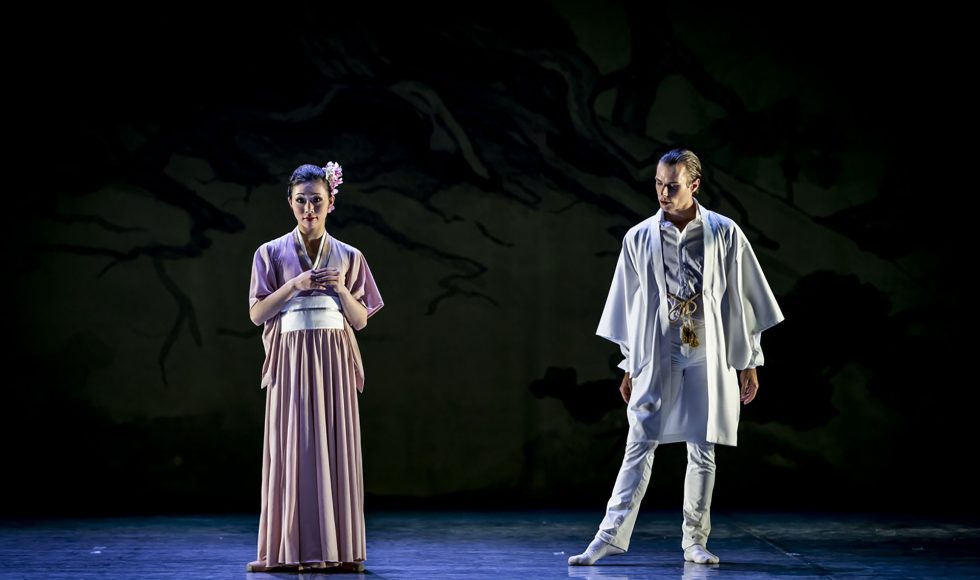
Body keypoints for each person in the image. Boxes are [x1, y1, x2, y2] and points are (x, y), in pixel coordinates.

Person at [568, 149, 783, 566]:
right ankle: (608, 536)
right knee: (640, 441)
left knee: (703, 446)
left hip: (708, 348)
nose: (663, 193)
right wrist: (629, 364)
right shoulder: (639, 237)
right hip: (659, 347)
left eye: (672, 186)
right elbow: (630, 305)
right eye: (658, 184)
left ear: (694, 185)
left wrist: (749, 361)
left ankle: (695, 540)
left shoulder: (724, 232)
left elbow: (743, 300)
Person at [246, 162, 383, 573]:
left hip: (332, 359)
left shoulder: (349, 255)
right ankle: (287, 551)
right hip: (291, 358)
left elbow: (360, 319)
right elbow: (257, 314)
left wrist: (340, 288)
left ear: (331, 202)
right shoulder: (269, 252)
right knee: (292, 449)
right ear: (290, 203)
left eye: (317, 201)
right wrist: (293, 285)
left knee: (333, 447)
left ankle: (339, 550)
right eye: (301, 201)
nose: (309, 209)